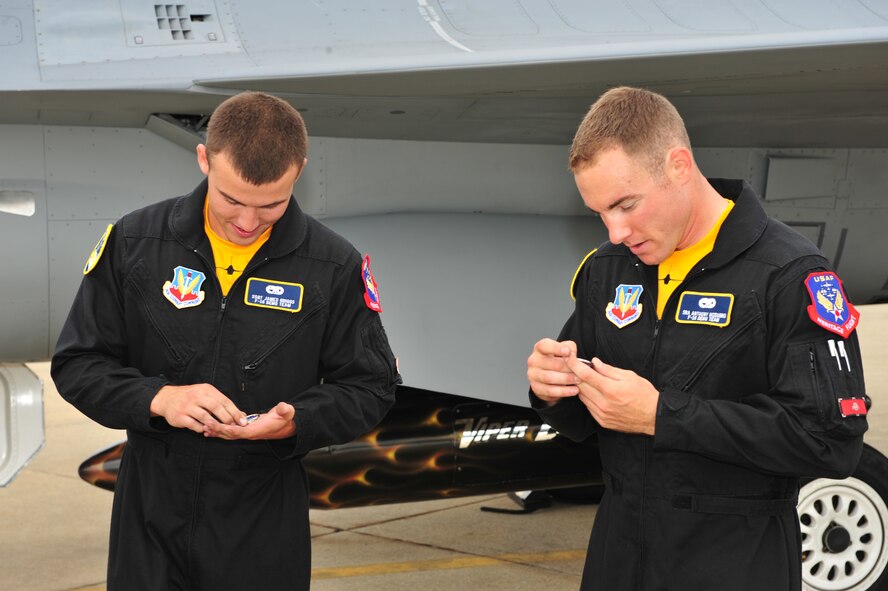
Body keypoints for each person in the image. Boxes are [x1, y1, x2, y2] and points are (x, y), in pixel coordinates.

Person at [51, 91, 401, 590]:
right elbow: (78, 364)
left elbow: (370, 387)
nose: (247, 222)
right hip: (150, 513)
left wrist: (295, 422)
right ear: (204, 160)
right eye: (232, 199)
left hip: (262, 513)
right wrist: (160, 398)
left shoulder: (332, 265)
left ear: (298, 171)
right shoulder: (135, 243)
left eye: (271, 205)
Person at [527, 87, 868, 590]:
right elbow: (580, 421)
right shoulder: (609, 269)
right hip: (617, 559)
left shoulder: (786, 275)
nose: (616, 230)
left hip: (735, 564)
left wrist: (663, 416)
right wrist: (550, 388)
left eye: (625, 204)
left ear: (680, 166)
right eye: (600, 212)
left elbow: (829, 441)